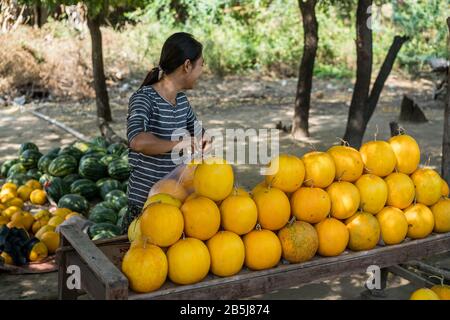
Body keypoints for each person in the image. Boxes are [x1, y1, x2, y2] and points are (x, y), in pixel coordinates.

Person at [122, 32, 208, 232]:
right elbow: (137, 141)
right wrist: (180, 143)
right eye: (201, 65)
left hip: (175, 203)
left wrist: (204, 141)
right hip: (145, 207)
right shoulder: (144, 98)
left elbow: (198, 133)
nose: (202, 71)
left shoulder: (182, 102)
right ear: (187, 66)